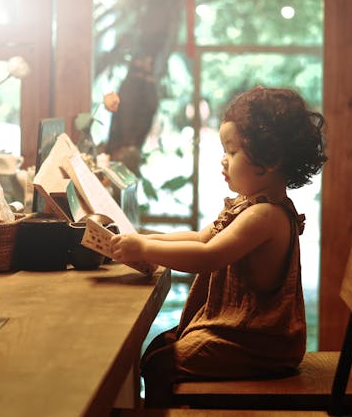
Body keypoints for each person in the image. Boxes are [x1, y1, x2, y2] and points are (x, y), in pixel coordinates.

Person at [110, 85, 327, 407]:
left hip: (261, 343)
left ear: (268, 161)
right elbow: (201, 238)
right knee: (160, 347)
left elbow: (207, 256)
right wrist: (143, 238)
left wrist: (143, 250)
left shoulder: (265, 216)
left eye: (232, 151)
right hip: (242, 334)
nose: (223, 160)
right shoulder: (249, 205)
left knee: (160, 362)